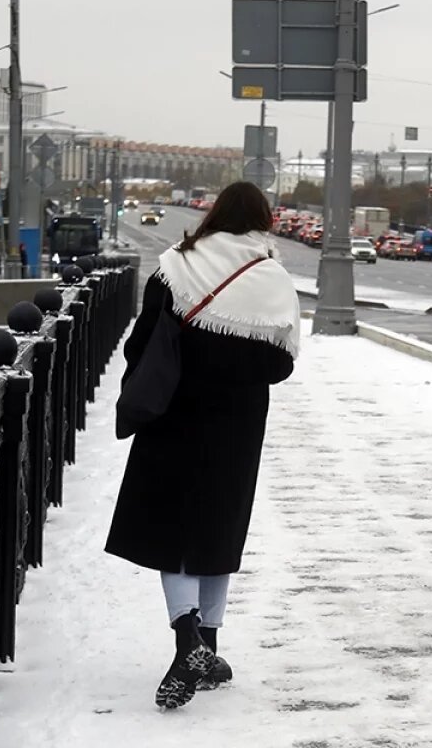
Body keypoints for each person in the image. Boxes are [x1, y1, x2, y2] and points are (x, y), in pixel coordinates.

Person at [105, 181, 300, 710]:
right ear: (263, 220)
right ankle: (207, 645)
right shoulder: (272, 277)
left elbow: (143, 341)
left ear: (215, 214)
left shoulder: (176, 265)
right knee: (218, 526)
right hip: (237, 420)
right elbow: (280, 365)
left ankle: (189, 640)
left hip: (175, 410)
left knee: (172, 526)